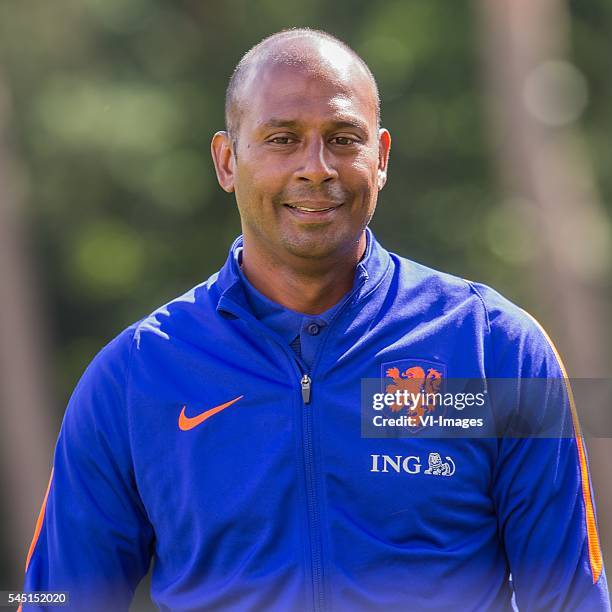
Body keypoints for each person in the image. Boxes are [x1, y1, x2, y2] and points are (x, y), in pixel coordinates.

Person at [20, 28, 610, 611]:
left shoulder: (496, 351)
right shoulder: (134, 376)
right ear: (227, 161)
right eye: (281, 138)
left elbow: (570, 601)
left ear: (380, 158)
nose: (316, 168)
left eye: (342, 138)